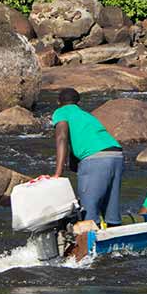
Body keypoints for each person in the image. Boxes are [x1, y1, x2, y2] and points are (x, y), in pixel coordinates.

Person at [51, 88, 123, 227]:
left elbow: (62, 138)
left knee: (88, 212)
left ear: (58, 102)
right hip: (116, 155)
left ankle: (88, 245)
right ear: (78, 102)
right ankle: (116, 240)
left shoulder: (61, 112)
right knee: (111, 211)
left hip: (95, 158)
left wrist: (58, 173)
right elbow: (79, 143)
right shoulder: (86, 115)